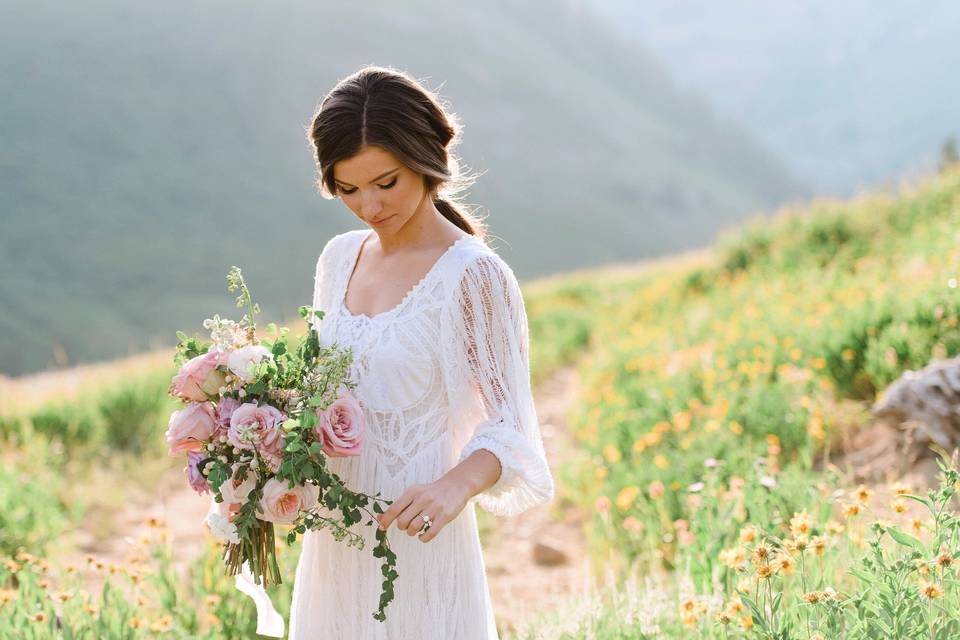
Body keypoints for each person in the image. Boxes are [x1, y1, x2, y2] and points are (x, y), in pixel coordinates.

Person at [238, 65, 555, 639]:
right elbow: (320, 390)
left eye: (386, 183)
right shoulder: (339, 258)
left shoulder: (474, 275)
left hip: (419, 534)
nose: (369, 205)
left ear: (426, 160)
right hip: (336, 537)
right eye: (348, 188)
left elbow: (510, 424)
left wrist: (454, 485)